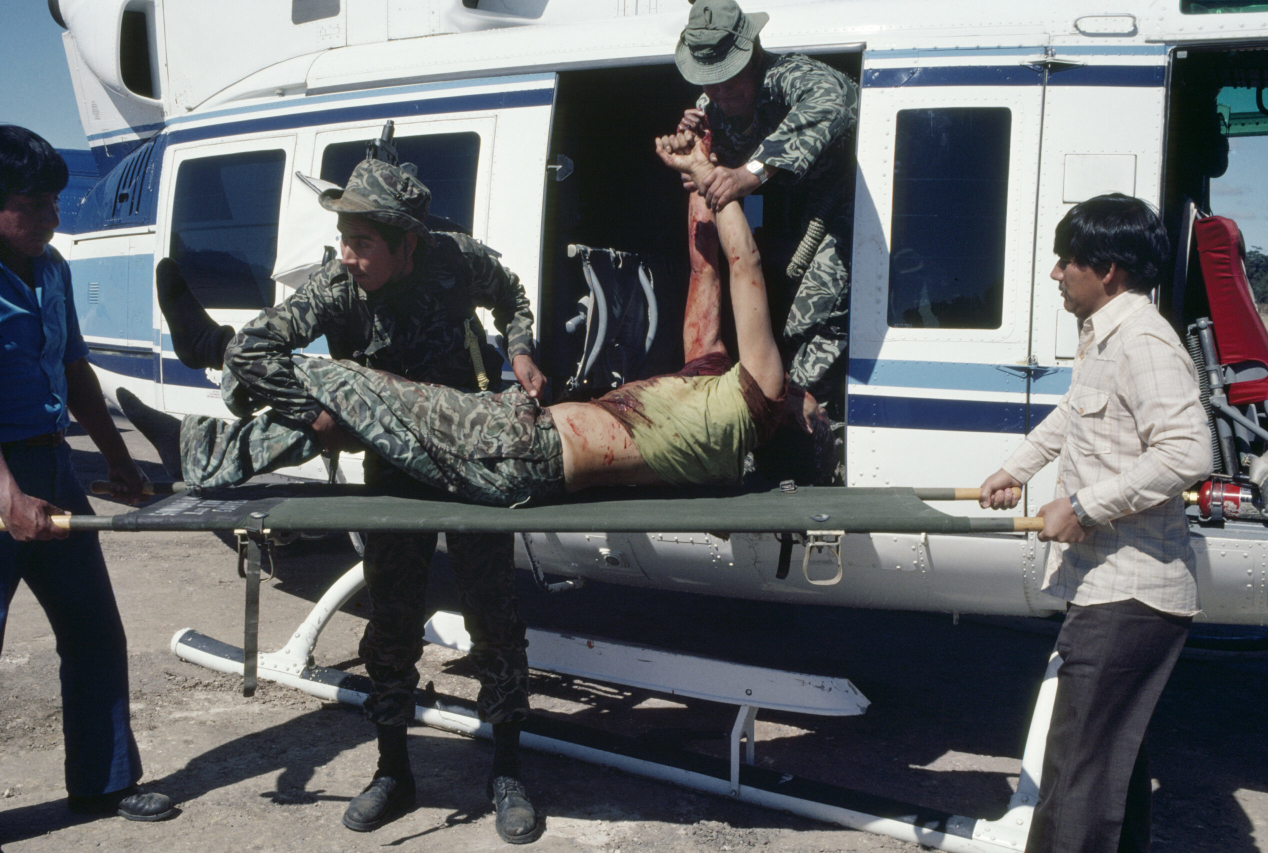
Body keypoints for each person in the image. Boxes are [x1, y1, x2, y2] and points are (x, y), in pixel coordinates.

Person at [123, 157, 547, 842]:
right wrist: (316, 415)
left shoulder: (454, 261)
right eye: (342, 238)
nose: (346, 256)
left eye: (362, 242)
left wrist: (520, 349)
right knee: (392, 619)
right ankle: (392, 768)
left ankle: (506, 769)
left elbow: (514, 296)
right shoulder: (336, 288)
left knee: (493, 616)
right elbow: (259, 350)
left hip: (468, 452)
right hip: (390, 464)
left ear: (408, 242)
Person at [125, 141, 827, 515]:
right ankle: (201, 448)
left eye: (823, 412)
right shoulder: (716, 379)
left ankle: (218, 350)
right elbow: (711, 269)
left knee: (347, 383)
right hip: (510, 431)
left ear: (791, 418)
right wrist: (696, 160)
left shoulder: (758, 402)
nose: (823, 402)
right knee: (353, 402)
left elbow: (747, 264)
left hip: (517, 452)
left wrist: (717, 173)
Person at [979, 195, 1213, 853]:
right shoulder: (1105, 335)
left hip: (1131, 593)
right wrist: (1018, 467)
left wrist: (1083, 506)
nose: (1056, 273)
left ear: (1107, 269)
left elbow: (1188, 452)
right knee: (1110, 763)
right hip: (1112, 588)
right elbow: (1076, 414)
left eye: (1067, 261)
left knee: (1076, 774)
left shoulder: (1143, 342)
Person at [0, 126, 174, 821]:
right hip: (4, 475)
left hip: (55, 465)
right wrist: (9, 496)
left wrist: (121, 460)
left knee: (94, 630)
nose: (51, 216)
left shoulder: (53, 269)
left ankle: (104, 782)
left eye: (55, 201)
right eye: (34, 203)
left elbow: (75, 371)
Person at [666, 0, 858, 415]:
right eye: (710, 83)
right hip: (787, 233)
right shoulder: (712, 107)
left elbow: (834, 100)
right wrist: (701, 158)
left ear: (752, 56)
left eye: (728, 81)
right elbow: (714, 175)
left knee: (812, 321)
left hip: (842, 219)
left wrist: (748, 173)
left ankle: (812, 434)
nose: (719, 92)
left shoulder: (787, 75)